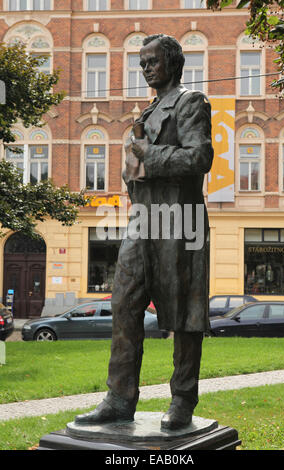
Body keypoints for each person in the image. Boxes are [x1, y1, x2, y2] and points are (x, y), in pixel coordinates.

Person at [75, 34, 214, 430]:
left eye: (152, 61)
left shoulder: (190, 102)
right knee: (124, 303)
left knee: (185, 313)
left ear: (173, 63)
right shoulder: (148, 111)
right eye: (141, 62)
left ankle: (183, 400)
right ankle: (120, 399)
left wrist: (146, 154)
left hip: (179, 218)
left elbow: (200, 156)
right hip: (143, 217)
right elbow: (136, 167)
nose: (145, 68)